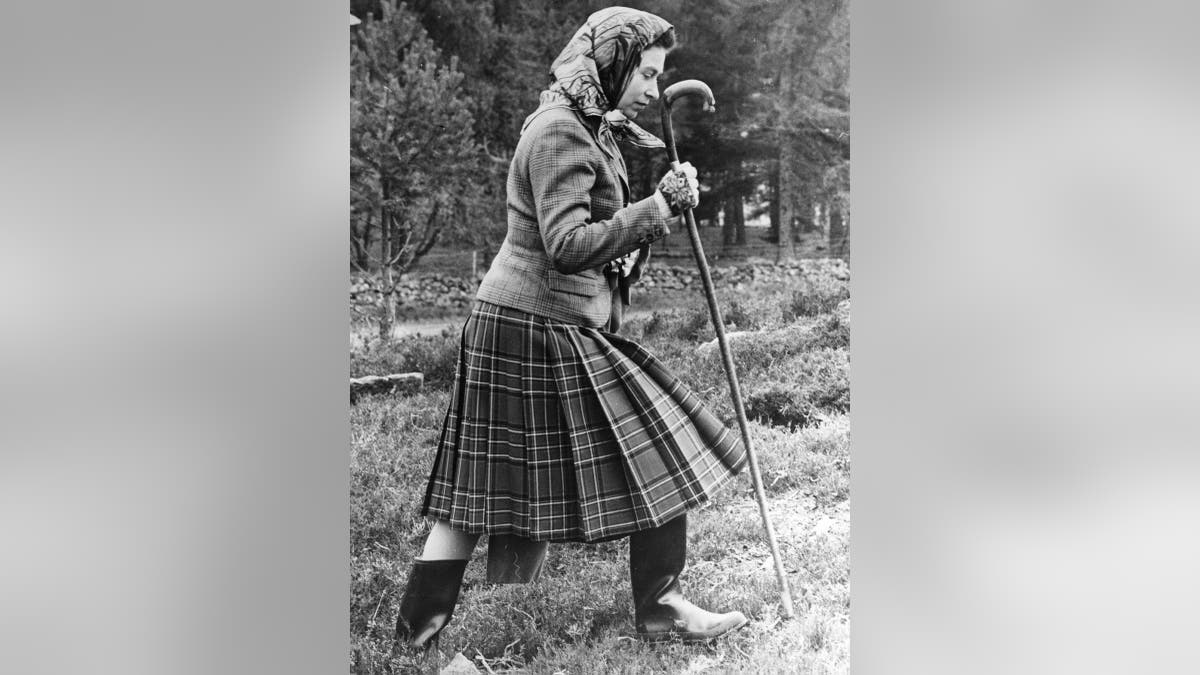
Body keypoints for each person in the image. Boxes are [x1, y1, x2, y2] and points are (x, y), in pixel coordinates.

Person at [392, 6, 749, 655]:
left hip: (536, 323)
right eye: (644, 71)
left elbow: (607, 247)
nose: (651, 87)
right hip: (529, 327)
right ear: (609, 65)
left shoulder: (591, 128)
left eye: (657, 74)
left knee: (509, 498)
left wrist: (660, 211)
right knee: (635, 444)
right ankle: (422, 645)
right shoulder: (559, 130)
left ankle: (473, 640)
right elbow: (564, 243)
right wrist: (656, 207)